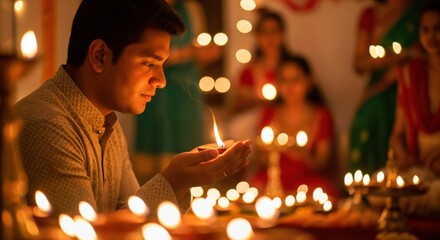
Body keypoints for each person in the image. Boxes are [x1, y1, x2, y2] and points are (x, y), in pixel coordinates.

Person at [14, 0, 251, 216]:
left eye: (162, 65)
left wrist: (179, 182)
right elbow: (81, 232)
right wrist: (172, 180)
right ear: (99, 56)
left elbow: (126, 218)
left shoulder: (106, 123)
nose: (161, 80)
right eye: (149, 63)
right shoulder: (47, 124)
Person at [135, 0, 222, 176]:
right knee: (158, 143)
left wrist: (206, 54)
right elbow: (144, 53)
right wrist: (187, 53)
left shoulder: (192, 8)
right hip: (157, 89)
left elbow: (198, 51)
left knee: (187, 139)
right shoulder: (145, 9)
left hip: (186, 89)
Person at [349, 0, 425, 174]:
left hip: (413, 88)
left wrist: (404, 70)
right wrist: (402, 56)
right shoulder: (371, 15)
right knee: (369, 120)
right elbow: (359, 64)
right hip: (379, 90)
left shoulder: (420, 12)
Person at [249, 55, 339, 197]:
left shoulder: (321, 115)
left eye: (295, 80)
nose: (289, 87)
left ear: (309, 81)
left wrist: (299, 153)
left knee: (320, 193)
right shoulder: (269, 113)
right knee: (252, 191)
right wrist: (270, 153)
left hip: (307, 180)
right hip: (272, 178)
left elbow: (322, 163)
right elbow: (260, 158)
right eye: (284, 80)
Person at [390, 0, 440, 216]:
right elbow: (396, 135)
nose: (431, 36)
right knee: (377, 189)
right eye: (425, 29)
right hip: (420, 169)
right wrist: (404, 157)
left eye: (438, 29)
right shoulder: (411, 73)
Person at [226, 8, 292, 142]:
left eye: (274, 31)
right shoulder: (248, 72)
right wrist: (252, 97)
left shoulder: (293, 67)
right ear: (257, 36)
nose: (270, 38)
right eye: (264, 32)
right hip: (257, 130)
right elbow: (234, 108)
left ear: (283, 34)